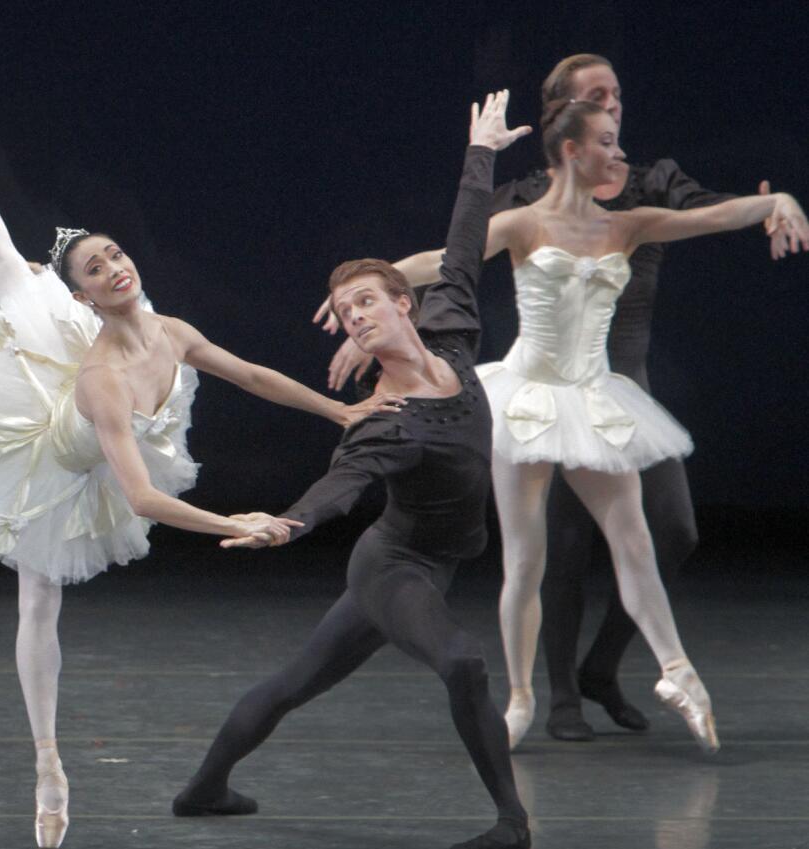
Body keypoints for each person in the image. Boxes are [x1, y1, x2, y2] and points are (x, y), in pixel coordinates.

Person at [0, 74, 372, 848]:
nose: (116, 267)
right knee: (37, 602)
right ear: (86, 298)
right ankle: (49, 765)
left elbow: (253, 376)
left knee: (18, 273)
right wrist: (236, 522)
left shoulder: (173, 330)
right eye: (96, 270)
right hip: (43, 452)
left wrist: (340, 410)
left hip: (111, 414)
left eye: (117, 254)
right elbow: (143, 499)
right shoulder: (99, 378)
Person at [318, 54, 805, 743]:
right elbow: (446, 261)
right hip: (527, 397)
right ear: (572, 151)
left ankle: (678, 669)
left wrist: (776, 201)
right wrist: (367, 296)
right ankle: (521, 699)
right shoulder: (522, 223)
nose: (621, 149)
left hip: (596, 395)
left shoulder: (626, 223)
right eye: (606, 139)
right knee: (527, 558)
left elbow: (716, 217)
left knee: (635, 541)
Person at [174, 92, 534, 849]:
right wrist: (287, 522)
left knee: (293, 684)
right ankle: (513, 823)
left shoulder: (456, 335)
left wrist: (482, 152)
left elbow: (465, 245)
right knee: (465, 664)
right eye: (345, 313)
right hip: (397, 566)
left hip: (430, 562)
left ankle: (205, 788)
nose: (357, 317)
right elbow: (339, 488)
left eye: (367, 302)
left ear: (405, 305)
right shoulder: (384, 420)